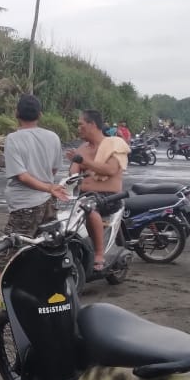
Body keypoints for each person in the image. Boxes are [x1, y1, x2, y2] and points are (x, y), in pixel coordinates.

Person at [0, 95, 67, 321]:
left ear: (16, 115)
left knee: (6, 253)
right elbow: (54, 169)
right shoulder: (53, 137)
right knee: (43, 250)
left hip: (26, 204)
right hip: (48, 202)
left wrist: (46, 188)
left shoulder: (14, 139)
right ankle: (42, 297)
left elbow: (22, 176)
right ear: (40, 114)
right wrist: (48, 188)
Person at [69, 110, 130, 271]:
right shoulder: (82, 147)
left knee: (89, 207)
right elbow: (74, 172)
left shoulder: (114, 144)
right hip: (84, 196)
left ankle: (99, 253)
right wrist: (75, 169)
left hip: (109, 197)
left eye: (81, 124)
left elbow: (110, 170)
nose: (78, 128)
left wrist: (83, 162)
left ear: (92, 125)